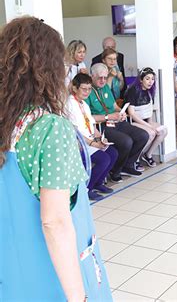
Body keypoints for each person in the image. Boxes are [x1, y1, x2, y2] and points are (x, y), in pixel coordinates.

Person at [0, 16, 112, 301]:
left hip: (9, 270)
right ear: (47, 68)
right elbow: (55, 222)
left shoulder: (6, 125)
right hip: (47, 275)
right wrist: (78, 296)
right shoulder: (48, 128)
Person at [85, 63, 149, 181]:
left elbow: (114, 106)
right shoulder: (87, 91)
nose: (103, 80)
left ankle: (127, 165)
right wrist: (108, 117)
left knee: (143, 135)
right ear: (92, 76)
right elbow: (88, 117)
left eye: (105, 77)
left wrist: (121, 112)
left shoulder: (105, 88)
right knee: (126, 142)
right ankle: (115, 170)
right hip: (102, 125)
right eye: (100, 78)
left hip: (115, 121)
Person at [67, 73, 118, 200]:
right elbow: (74, 131)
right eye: (84, 89)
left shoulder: (84, 104)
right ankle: (86, 188)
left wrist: (101, 138)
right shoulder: (69, 104)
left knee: (113, 153)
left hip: (91, 141)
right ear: (74, 88)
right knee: (103, 159)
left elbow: (91, 124)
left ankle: (98, 183)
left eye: (89, 89)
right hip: (79, 143)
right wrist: (92, 143)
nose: (87, 92)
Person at [124, 67, 168, 167]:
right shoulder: (132, 90)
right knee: (151, 133)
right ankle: (135, 159)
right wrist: (149, 126)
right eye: (147, 78)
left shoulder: (150, 91)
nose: (150, 82)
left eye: (152, 79)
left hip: (144, 121)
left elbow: (149, 110)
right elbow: (131, 113)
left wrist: (151, 123)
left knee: (163, 130)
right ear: (141, 79)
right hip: (132, 121)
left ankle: (148, 155)